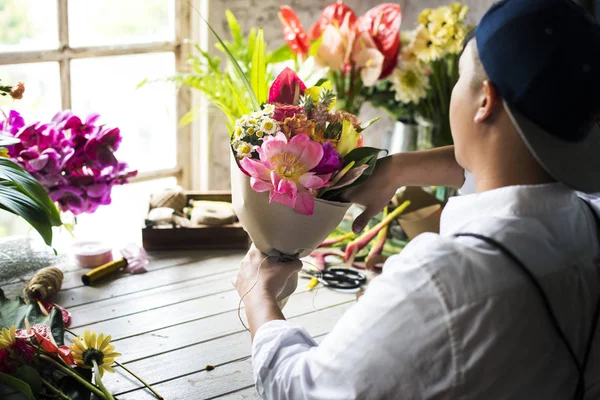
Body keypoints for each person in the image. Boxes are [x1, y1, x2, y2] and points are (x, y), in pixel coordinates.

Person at [234, 0, 600, 398]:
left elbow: (305, 390)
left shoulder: (445, 280)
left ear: (484, 100)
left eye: (461, 76)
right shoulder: (589, 225)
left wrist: (259, 299)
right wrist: (398, 168)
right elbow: (518, 174)